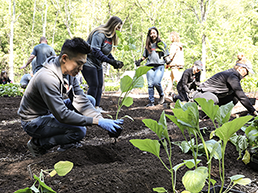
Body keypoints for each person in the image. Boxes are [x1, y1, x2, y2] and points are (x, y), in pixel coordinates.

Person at [18, 37, 124, 157]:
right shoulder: (47, 78)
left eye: (83, 64)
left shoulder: (68, 72)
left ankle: (67, 144)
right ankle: (38, 144)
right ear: (64, 58)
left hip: (50, 111)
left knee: (90, 100)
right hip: (34, 121)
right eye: (79, 63)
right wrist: (97, 121)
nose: (81, 68)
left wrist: (101, 118)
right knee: (79, 131)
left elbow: (81, 100)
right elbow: (62, 115)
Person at [81, 16, 124, 112]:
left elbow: (106, 53)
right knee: (94, 85)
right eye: (118, 27)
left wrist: (114, 62)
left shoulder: (109, 37)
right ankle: (89, 109)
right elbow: (95, 51)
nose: (119, 30)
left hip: (98, 64)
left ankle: (96, 107)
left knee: (100, 85)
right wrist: (109, 61)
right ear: (113, 25)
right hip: (88, 62)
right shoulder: (100, 34)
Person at [193, 53, 258, 116]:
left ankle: (218, 115)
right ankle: (201, 115)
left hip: (210, 95)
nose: (247, 75)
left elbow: (238, 95)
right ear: (240, 68)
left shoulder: (233, 74)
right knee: (213, 99)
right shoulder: (232, 76)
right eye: (246, 72)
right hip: (201, 95)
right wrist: (253, 111)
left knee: (234, 98)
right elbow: (241, 96)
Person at [135, 26, 169, 107]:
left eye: (154, 33)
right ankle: (151, 102)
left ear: (157, 33)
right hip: (149, 66)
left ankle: (161, 95)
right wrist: (139, 61)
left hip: (159, 66)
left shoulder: (161, 44)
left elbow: (166, 55)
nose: (152, 35)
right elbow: (145, 56)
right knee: (150, 84)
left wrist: (168, 60)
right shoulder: (148, 45)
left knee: (156, 82)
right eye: (151, 33)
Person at [164, 31, 184, 97]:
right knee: (171, 79)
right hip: (177, 63)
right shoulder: (179, 45)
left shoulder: (174, 45)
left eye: (171, 37)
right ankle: (166, 92)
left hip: (174, 64)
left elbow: (171, 56)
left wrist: (167, 63)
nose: (170, 38)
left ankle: (183, 92)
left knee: (177, 79)